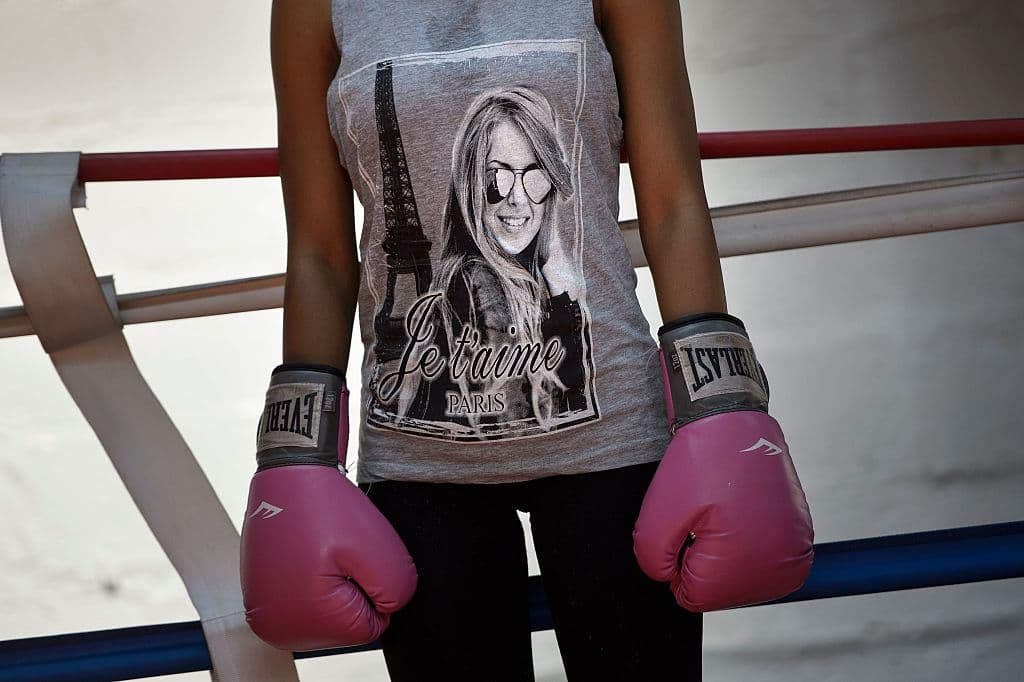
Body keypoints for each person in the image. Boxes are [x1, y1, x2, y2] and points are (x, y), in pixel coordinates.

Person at [239, 1, 813, 681]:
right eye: (492, 178)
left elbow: (673, 201)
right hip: (419, 458)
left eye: (529, 174)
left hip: (611, 435)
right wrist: (295, 456)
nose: (511, 197)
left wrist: (722, 410)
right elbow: (319, 250)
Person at [399, 84, 588, 436]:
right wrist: (563, 294)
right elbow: (523, 424)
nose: (518, 198)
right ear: (469, 185)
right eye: (496, 177)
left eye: (536, 175)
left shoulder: (518, 277)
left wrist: (553, 265)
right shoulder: (478, 282)